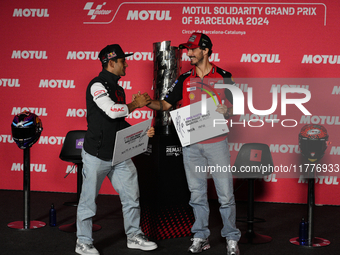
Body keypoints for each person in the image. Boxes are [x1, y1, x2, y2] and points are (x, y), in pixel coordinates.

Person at [146, 33, 241, 255]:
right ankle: (200, 235)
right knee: (196, 194)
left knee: (225, 194)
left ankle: (231, 238)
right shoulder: (184, 78)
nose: (188, 53)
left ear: (205, 50)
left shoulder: (225, 76)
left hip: (217, 143)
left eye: (193, 49)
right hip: (190, 145)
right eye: (188, 49)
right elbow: (166, 104)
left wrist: (226, 110)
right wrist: (149, 102)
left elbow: (236, 107)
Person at [76, 44, 157, 255]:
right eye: (123, 60)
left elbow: (119, 122)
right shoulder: (96, 85)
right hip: (96, 155)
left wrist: (141, 134)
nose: (126, 63)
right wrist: (135, 104)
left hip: (119, 154)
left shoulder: (119, 89)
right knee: (88, 201)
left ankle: (134, 236)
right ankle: (83, 242)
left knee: (132, 196)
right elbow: (113, 112)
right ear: (111, 63)